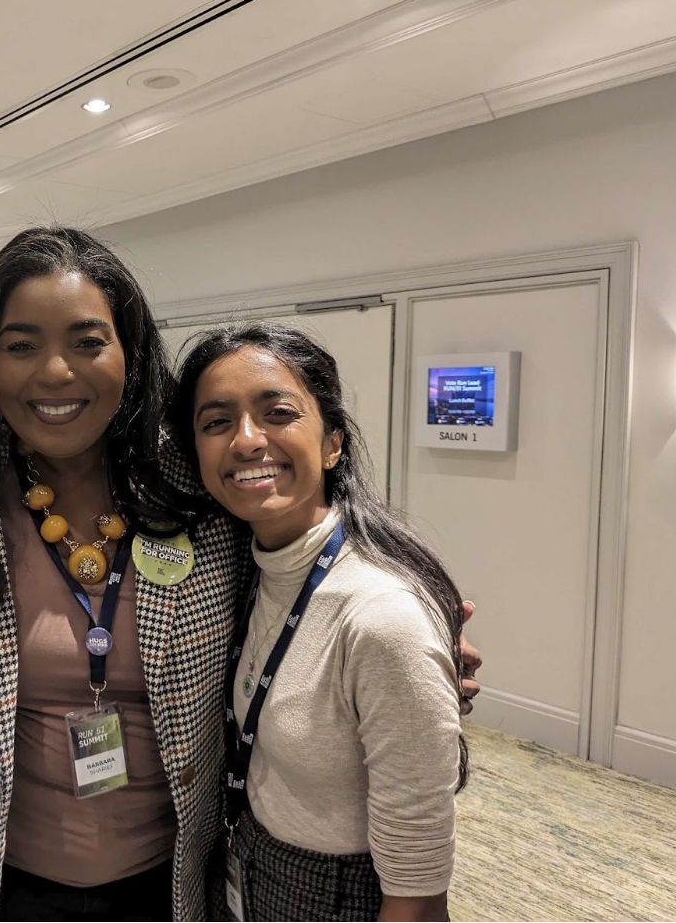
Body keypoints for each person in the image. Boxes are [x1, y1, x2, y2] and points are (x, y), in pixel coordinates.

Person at [0, 227, 482, 922]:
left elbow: (302, 567)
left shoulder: (199, 491)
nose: (54, 372)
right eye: (20, 345)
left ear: (129, 353)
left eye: (87, 342)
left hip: (174, 883)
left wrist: (401, 645)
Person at [172, 322, 467, 922]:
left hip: (337, 896)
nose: (247, 440)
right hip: (249, 864)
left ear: (332, 443)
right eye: (216, 421)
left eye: (277, 412)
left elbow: (418, 890)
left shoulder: (380, 615)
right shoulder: (247, 572)